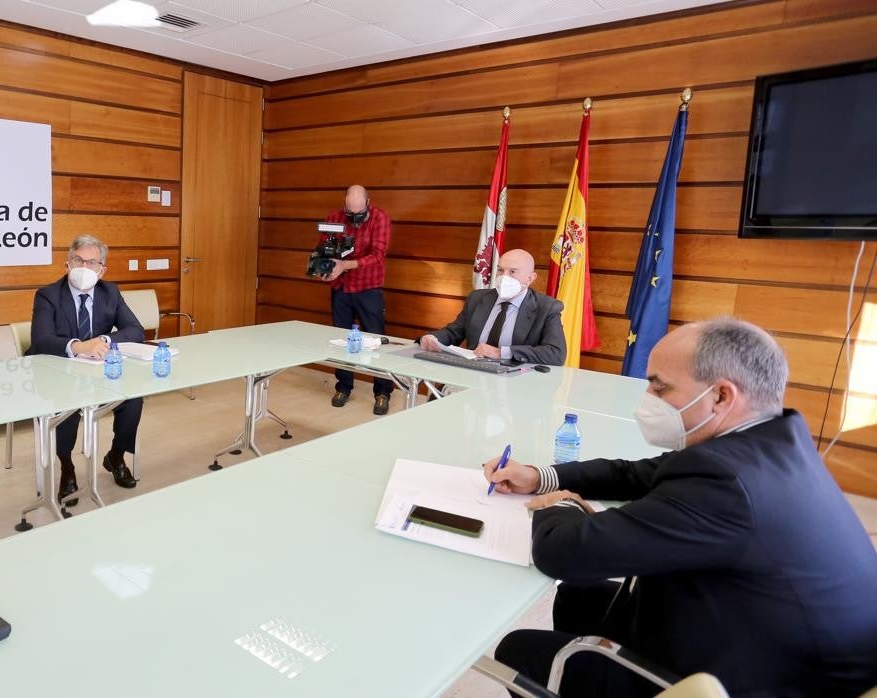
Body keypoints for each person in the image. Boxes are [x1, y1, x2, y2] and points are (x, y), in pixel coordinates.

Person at [484, 318, 877, 697]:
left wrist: (559, 504)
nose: (647, 400)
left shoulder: (725, 484)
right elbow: (638, 474)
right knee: (579, 597)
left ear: (721, 396)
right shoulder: (772, 442)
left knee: (519, 652)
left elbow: (564, 554)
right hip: (772, 640)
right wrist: (541, 476)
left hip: (760, 681)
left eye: (659, 388)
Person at [28, 235, 143, 504]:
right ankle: (67, 466)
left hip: (96, 371)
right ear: (67, 263)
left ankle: (116, 456)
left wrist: (104, 340)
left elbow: (135, 330)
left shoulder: (110, 292)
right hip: (56, 371)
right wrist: (78, 346)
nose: (84, 266)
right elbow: (41, 339)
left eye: (92, 262)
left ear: (102, 270)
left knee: (133, 398)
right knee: (66, 405)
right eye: (78, 259)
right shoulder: (48, 295)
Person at [319, 184, 394, 415]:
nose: (354, 218)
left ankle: (382, 392)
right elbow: (325, 248)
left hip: (368, 288)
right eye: (350, 213)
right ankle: (343, 386)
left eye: (359, 213)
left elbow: (378, 255)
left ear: (368, 203)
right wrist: (326, 268)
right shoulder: (334, 218)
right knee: (341, 340)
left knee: (375, 339)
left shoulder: (380, 218)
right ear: (345, 205)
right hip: (340, 287)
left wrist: (346, 265)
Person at [419, 249, 565, 366]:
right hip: (472, 371)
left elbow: (555, 353)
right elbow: (454, 332)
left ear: (531, 278)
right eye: (500, 270)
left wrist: (501, 353)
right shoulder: (477, 298)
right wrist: (433, 338)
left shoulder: (547, 307)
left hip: (515, 383)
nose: (504, 277)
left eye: (512, 272)